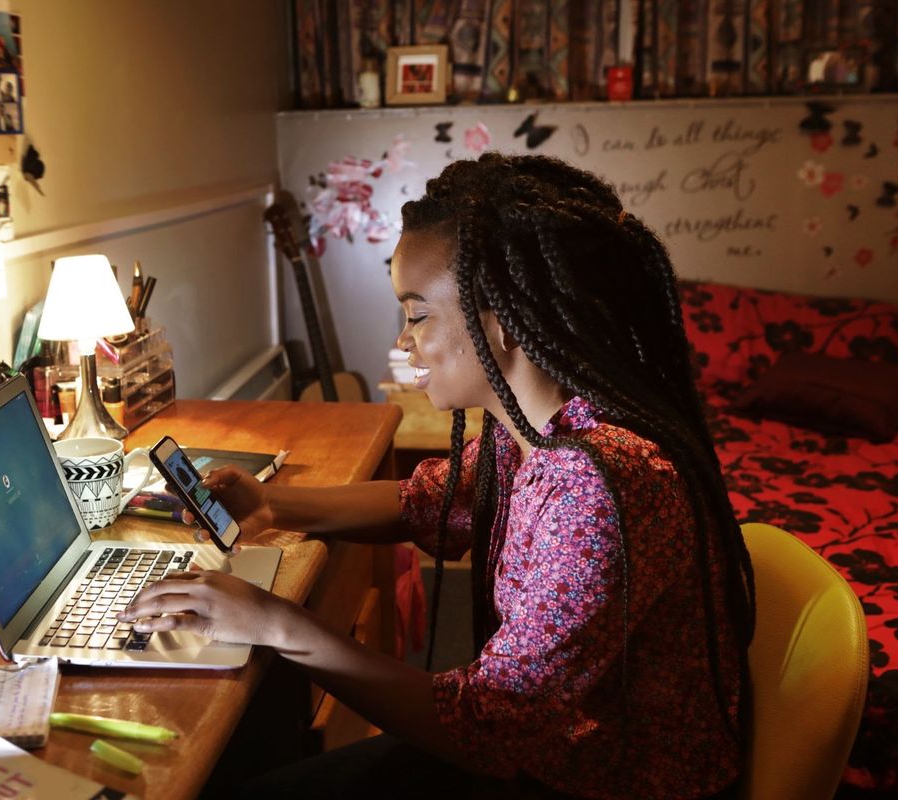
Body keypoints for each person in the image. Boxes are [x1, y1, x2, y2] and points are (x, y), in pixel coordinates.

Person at [122, 154, 755, 799]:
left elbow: (486, 731)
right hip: (552, 750)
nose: (404, 342)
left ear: (504, 321)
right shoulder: (542, 430)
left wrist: (273, 623)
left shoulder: (595, 484)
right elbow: (430, 501)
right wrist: (270, 505)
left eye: (418, 315)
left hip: (601, 781)